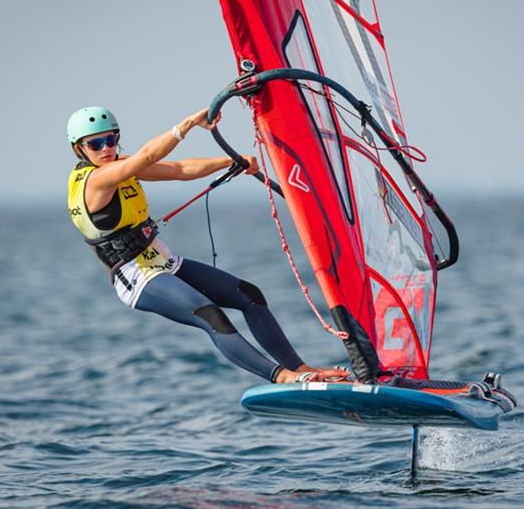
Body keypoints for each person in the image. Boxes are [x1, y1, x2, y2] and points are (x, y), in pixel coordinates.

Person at [66, 106, 348, 384]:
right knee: (210, 315)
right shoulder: (97, 180)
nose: (105, 149)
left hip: (163, 262)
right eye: (95, 144)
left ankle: (300, 368)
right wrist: (187, 123)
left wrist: (229, 161)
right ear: (80, 149)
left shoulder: (118, 166)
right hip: (138, 278)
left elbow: (179, 169)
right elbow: (148, 155)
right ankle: (282, 377)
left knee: (249, 295)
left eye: (110, 140)